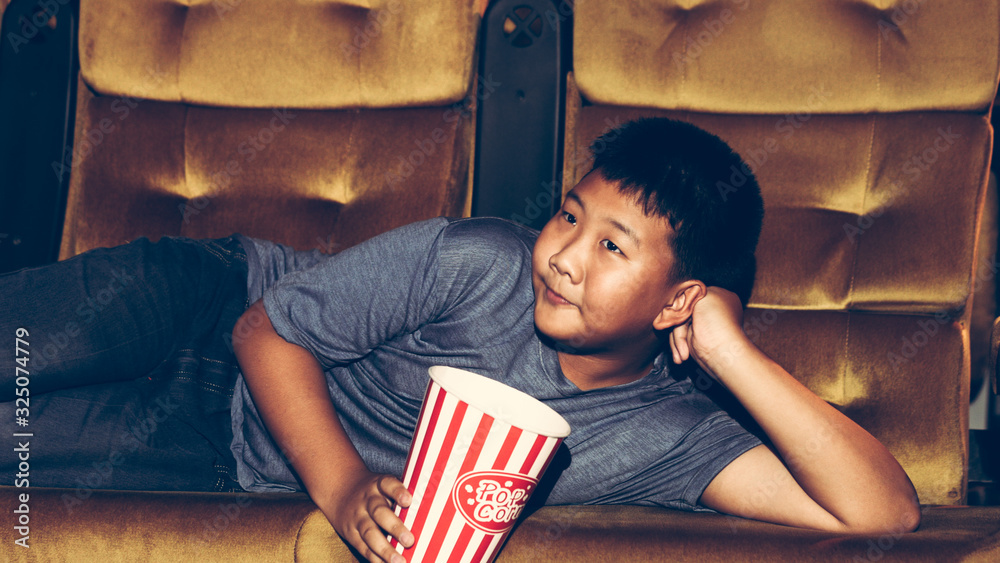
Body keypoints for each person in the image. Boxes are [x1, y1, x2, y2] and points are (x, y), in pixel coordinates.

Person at [2, 118, 919, 563]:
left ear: (679, 297)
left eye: (611, 246)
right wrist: (348, 487)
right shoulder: (479, 260)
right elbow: (265, 330)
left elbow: (881, 513)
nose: (563, 255)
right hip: (205, 307)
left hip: (215, 445)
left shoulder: (666, 435)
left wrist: (731, 352)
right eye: (569, 214)